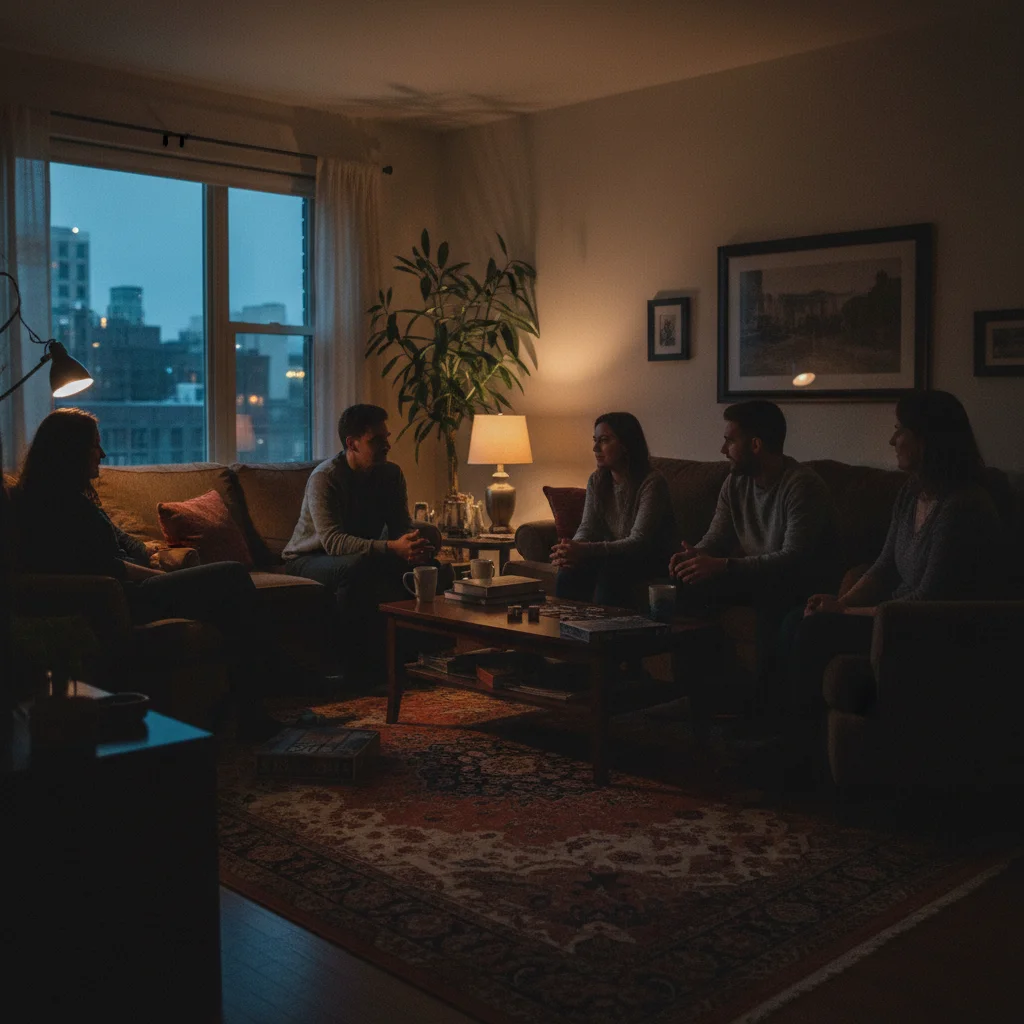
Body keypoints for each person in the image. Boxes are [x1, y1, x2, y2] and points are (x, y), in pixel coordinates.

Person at [12, 408, 277, 738]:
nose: (103, 454)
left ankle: (241, 701)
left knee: (227, 599)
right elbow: (109, 567)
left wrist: (153, 554)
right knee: (231, 576)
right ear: (71, 451)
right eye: (95, 445)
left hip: (129, 587)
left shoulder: (74, 498)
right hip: (122, 597)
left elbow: (121, 542)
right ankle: (252, 706)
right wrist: (156, 576)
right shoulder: (56, 505)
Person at [790, 389, 1006, 719]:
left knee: (814, 631)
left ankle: (797, 738)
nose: (893, 440)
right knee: (800, 618)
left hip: (935, 629)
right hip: (895, 617)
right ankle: (780, 727)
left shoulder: (963, 506)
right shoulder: (911, 491)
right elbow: (885, 566)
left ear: (926, 440)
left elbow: (927, 600)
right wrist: (841, 602)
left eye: (899, 430)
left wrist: (843, 613)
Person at [668, 400, 837, 709]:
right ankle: (696, 698)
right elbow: (717, 537)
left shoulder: (801, 486)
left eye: (730, 441)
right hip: (753, 576)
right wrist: (695, 555)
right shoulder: (735, 482)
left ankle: (763, 709)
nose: (723, 449)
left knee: (773, 598)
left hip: (798, 582)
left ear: (756, 445)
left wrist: (723, 565)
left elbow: (793, 558)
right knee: (684, 585)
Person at [283, 403, 445, 677]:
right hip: (309, 558)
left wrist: (412, 546)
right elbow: (333, 542)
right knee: (357, 569)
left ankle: (424, 662)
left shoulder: (390, 474)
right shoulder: (325, 478)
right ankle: (356, 671)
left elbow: (400, 525)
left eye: (386, 437)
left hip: (360, 555)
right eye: (376, 440)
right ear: (352, 443)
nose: (386, 445)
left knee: (429, 568)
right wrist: (392, 548)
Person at [552, 412, 676, 608]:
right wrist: (571, 549)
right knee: (569, 569)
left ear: (626, 444)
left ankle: (607, 627)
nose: (595, 448)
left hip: (650, 558)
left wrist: (584, 550)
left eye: (604, 440)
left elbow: (638, 541)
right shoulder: (597, 480)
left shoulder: (652, 482)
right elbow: (588, 527)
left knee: (611, 571)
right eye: (595, 440)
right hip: (613, 555)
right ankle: (567, 625)